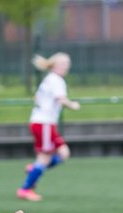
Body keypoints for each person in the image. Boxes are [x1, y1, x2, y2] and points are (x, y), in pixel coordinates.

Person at [16, 52, 80, 203]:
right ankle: (25, 188)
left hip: (45, 123)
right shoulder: (56, 80)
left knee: (64, 153)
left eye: (67, 64)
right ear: (55, 65)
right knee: (44, 157)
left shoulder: (49, 80)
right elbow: (61, 99)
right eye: (63, 64)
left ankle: (34, 170)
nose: (66, 67)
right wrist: (74, 105)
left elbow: (39, 98)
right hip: (43, 123)